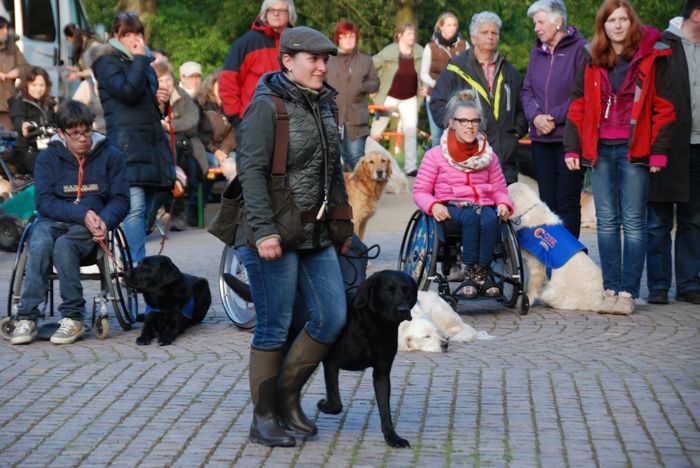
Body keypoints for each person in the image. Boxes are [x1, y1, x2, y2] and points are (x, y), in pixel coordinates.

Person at [236, 26, 352, 447]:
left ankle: (287, 398)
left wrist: (343, 224)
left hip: (316, 233)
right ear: (288, 61)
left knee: (331, 317)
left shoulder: (325, 104)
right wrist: (264, 231)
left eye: (325, 60)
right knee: (274, 327)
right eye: (313, 59)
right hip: (274, 234)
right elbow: (250, 172)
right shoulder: (266, 106)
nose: (322, 67)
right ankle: (264, 417)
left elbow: (333, 172)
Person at [564, 0, 675, 315]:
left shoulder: (651, 56)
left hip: (634, 150)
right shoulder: (591, 57)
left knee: (634, 222)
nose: (617, 25)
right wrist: (572, 147)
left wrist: (659, 152)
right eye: (611, 20)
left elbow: (665, 108)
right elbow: (578, 103)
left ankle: (628, 292)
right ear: (603, 25)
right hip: (599, 150)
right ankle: (611, 288)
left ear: (631, 22)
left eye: (623, 19)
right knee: (607, 222)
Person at [10, 100, 130, 345]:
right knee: (40, 244)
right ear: (62, 133)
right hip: (52, 220)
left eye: (86, 131)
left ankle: (73, 316)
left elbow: (120, 199)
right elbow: (43, 202)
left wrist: (105, 220)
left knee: (64, 246)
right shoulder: (47, 158)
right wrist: (82, 213)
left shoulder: (110, 155)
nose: (83, 138)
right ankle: (27, 316)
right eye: (75, 133)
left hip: (89, 227)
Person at [92, 12, 175, 264]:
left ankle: (129, 254)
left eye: (137, 33)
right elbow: (127, 92)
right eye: (127, 34)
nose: (134, 39)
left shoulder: (144, 65)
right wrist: (140, 60)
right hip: (126, 144)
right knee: (135, 208)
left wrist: (162, 103)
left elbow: (151, 109)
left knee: (148, 209)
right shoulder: (106, 63)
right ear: (116, 36)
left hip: (151, 144)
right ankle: (136, 265)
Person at [413, 90, 512, 298]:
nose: (469, 126)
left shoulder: (489, 156)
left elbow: (499, 188)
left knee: (491, 218)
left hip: (482, 205)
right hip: (451, 209)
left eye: (474, 121)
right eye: (463, 121)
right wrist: (433, 205)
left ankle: (482, 273)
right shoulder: (435, 156)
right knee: (470, 218)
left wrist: (503, 203)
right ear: (452, 123)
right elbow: (420, 191)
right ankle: (469, 273)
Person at [430, 11, 527, 185]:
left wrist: (516, 132)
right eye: (485, 32)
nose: (490, 36)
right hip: (468, 159)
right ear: (473, 38)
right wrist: (457, 129)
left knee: (504, 201)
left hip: (505, 161)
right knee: (472, 200)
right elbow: (437, 103)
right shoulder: (456, 69)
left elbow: (523, 107)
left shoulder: (510, 72)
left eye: (494, 33)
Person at [646, 0, 700, 305]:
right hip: (665, 146)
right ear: (697, 14)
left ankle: (689, 284)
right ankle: (658, 286)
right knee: (658, 221)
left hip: (699, 147)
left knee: (693, 220)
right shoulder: (662, 46)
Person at [521, 0, 587, 238]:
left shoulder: (581, 49)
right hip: (541, 139)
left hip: (569, 139)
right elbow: (526, 90)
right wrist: (536, 117)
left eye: (540, 22)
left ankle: (570, 257)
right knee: (547, 202)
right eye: (535, 23)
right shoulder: (536, 52)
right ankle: (553, 255)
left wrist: (553, 117)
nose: (536, 28)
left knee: (567, 201)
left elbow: (582, 93)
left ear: (558, 21)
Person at [220, 0, 296, 136]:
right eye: (271, 9)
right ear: (265, 13)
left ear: (289, 13)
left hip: (292, 123)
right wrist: (236, 119)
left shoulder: (298, 43)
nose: (276, 13)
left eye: (281, 10)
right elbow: (228, 81)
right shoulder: (246, 43)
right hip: (253, 123)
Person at [152, 59, 203, 230]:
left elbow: (193, 120)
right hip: (154, 146)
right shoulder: (147, 96)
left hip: (183, 145)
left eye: (168, 79)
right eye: (161, 80)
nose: (166, 83)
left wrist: (170, 126)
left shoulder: (181, 96)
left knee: (183, 165)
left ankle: (178, 212)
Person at [370, 22, 425, 176]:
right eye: (408, 33)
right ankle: (369, 162)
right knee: (376, 131)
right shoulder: (388, 51)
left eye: (413, 33)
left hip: (410, 98)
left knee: (410, 131)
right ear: (400, 35)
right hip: (389, 98)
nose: (412, 36)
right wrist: (373, 88)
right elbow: (370, 66)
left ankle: (410, 167)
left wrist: (425, 86)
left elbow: (425, 71)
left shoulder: (420, 51)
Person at [326, 21, 379, 170]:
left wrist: (361, 87)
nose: (348, 40)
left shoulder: (365, 60)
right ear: (338, 39)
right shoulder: (327, 60)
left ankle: (362, 186)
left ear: (356, 38)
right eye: (344, 36)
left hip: (356, 119)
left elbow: (375, 82)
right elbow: (317, 83)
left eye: (351, 36)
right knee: (335, 162)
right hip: (332, 118)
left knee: (357, 159)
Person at [420, 12, 469, 148]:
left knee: (458, 135)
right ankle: (437, 161)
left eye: (454, 25)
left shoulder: (464, 45)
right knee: (437, 136)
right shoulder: (430, 47)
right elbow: (423, 74)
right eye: (448, 25)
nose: (452, 28)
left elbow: (470, 70)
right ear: (440, 26)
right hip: (435, 96)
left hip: (458, 97)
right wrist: (438, 85)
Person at [9, 66, 57, 175]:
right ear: (26, 85)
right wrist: (24, 126)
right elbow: (18, 120)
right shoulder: (19, 102)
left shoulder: (49, 103)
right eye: (34, 85)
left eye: (42, 85)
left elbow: (56, 121)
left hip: (48, 148)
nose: (38, 89)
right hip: (27, 151)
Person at [0, 16, 27, 119]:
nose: (5, 31)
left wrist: (16, 72)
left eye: (7, 28)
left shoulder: (12, 47)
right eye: (1, 28)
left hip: (8, 104)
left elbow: (26, 67)